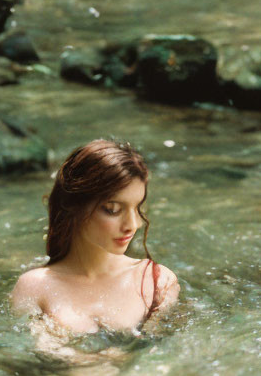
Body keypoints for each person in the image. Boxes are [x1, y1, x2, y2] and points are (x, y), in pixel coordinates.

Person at [11, 139, 179, 334]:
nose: (132, 225)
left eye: (138, 208)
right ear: (74, 206)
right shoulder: (34, 287)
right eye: (113, 209)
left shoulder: (156, 282)